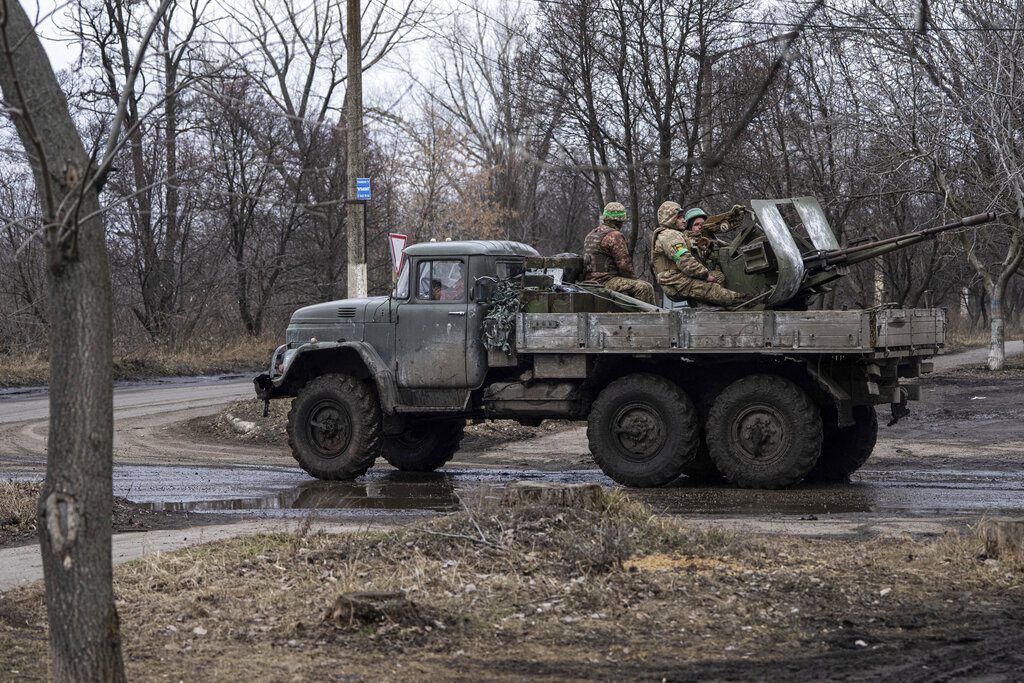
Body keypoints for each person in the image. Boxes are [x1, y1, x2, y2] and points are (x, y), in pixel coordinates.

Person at [651, 201, 746, 307]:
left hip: (682, 278)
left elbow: (715, 226)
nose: (683, 221)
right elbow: (684, 260)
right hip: (676, 282)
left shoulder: (679, 235)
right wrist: (706, 275)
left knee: (718, 279)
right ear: (671, 219)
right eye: (679, 218)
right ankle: (739, 302)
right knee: (719, 292)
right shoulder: (670, 236)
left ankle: (723, 305)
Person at [581, 201, 656, 305]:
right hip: (605, 281)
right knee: (644, 287)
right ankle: (645, 319)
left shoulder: (592, 234)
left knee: (642, 285)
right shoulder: (614, 235)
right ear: (620, 221)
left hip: (589, 282)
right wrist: (633, 280)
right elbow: (624, 266)